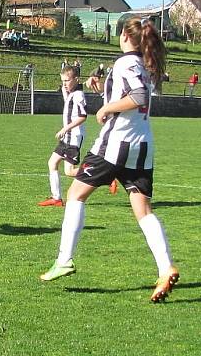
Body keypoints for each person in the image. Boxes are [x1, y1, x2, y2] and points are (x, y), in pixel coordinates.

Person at [40, 18, 178, 303]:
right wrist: (102, 88)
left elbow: (137, 96)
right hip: (142, 145)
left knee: (75, 194)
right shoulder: (142, 64)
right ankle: (165, 268)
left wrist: (106, 107)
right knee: (143, 210)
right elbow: (133, 92)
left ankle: (65, 259)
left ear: (126, 37)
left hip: (116, 143)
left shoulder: (125, 63)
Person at [38, 67, 88, 207]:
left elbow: (83, 116)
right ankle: (57, 198)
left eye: (67, 80)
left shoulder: (78, 95)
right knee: (52, 163)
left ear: (76, 79)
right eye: (62, 81)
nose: (64, 84)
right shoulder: (72, 93)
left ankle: (103, 175)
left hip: (73, 137)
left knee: (69, 171)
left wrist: (65, 128)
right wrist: (64, 92)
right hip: (66, 138)